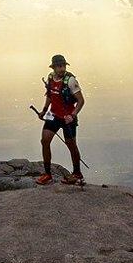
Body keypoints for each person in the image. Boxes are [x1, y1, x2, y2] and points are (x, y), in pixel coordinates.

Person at [35, 53, 85, 185]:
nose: (62, 69)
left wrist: (72, 115)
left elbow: (81, 101)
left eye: (63, 66)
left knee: (71, 145)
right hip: (53, 115)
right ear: (54, 67)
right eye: (59, 66)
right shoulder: (51, 78)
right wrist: (44, 111)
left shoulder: (71, 80)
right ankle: (47, 174)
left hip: (68, 117)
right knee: (44, 141)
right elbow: (50, 96)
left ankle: (77, 173)